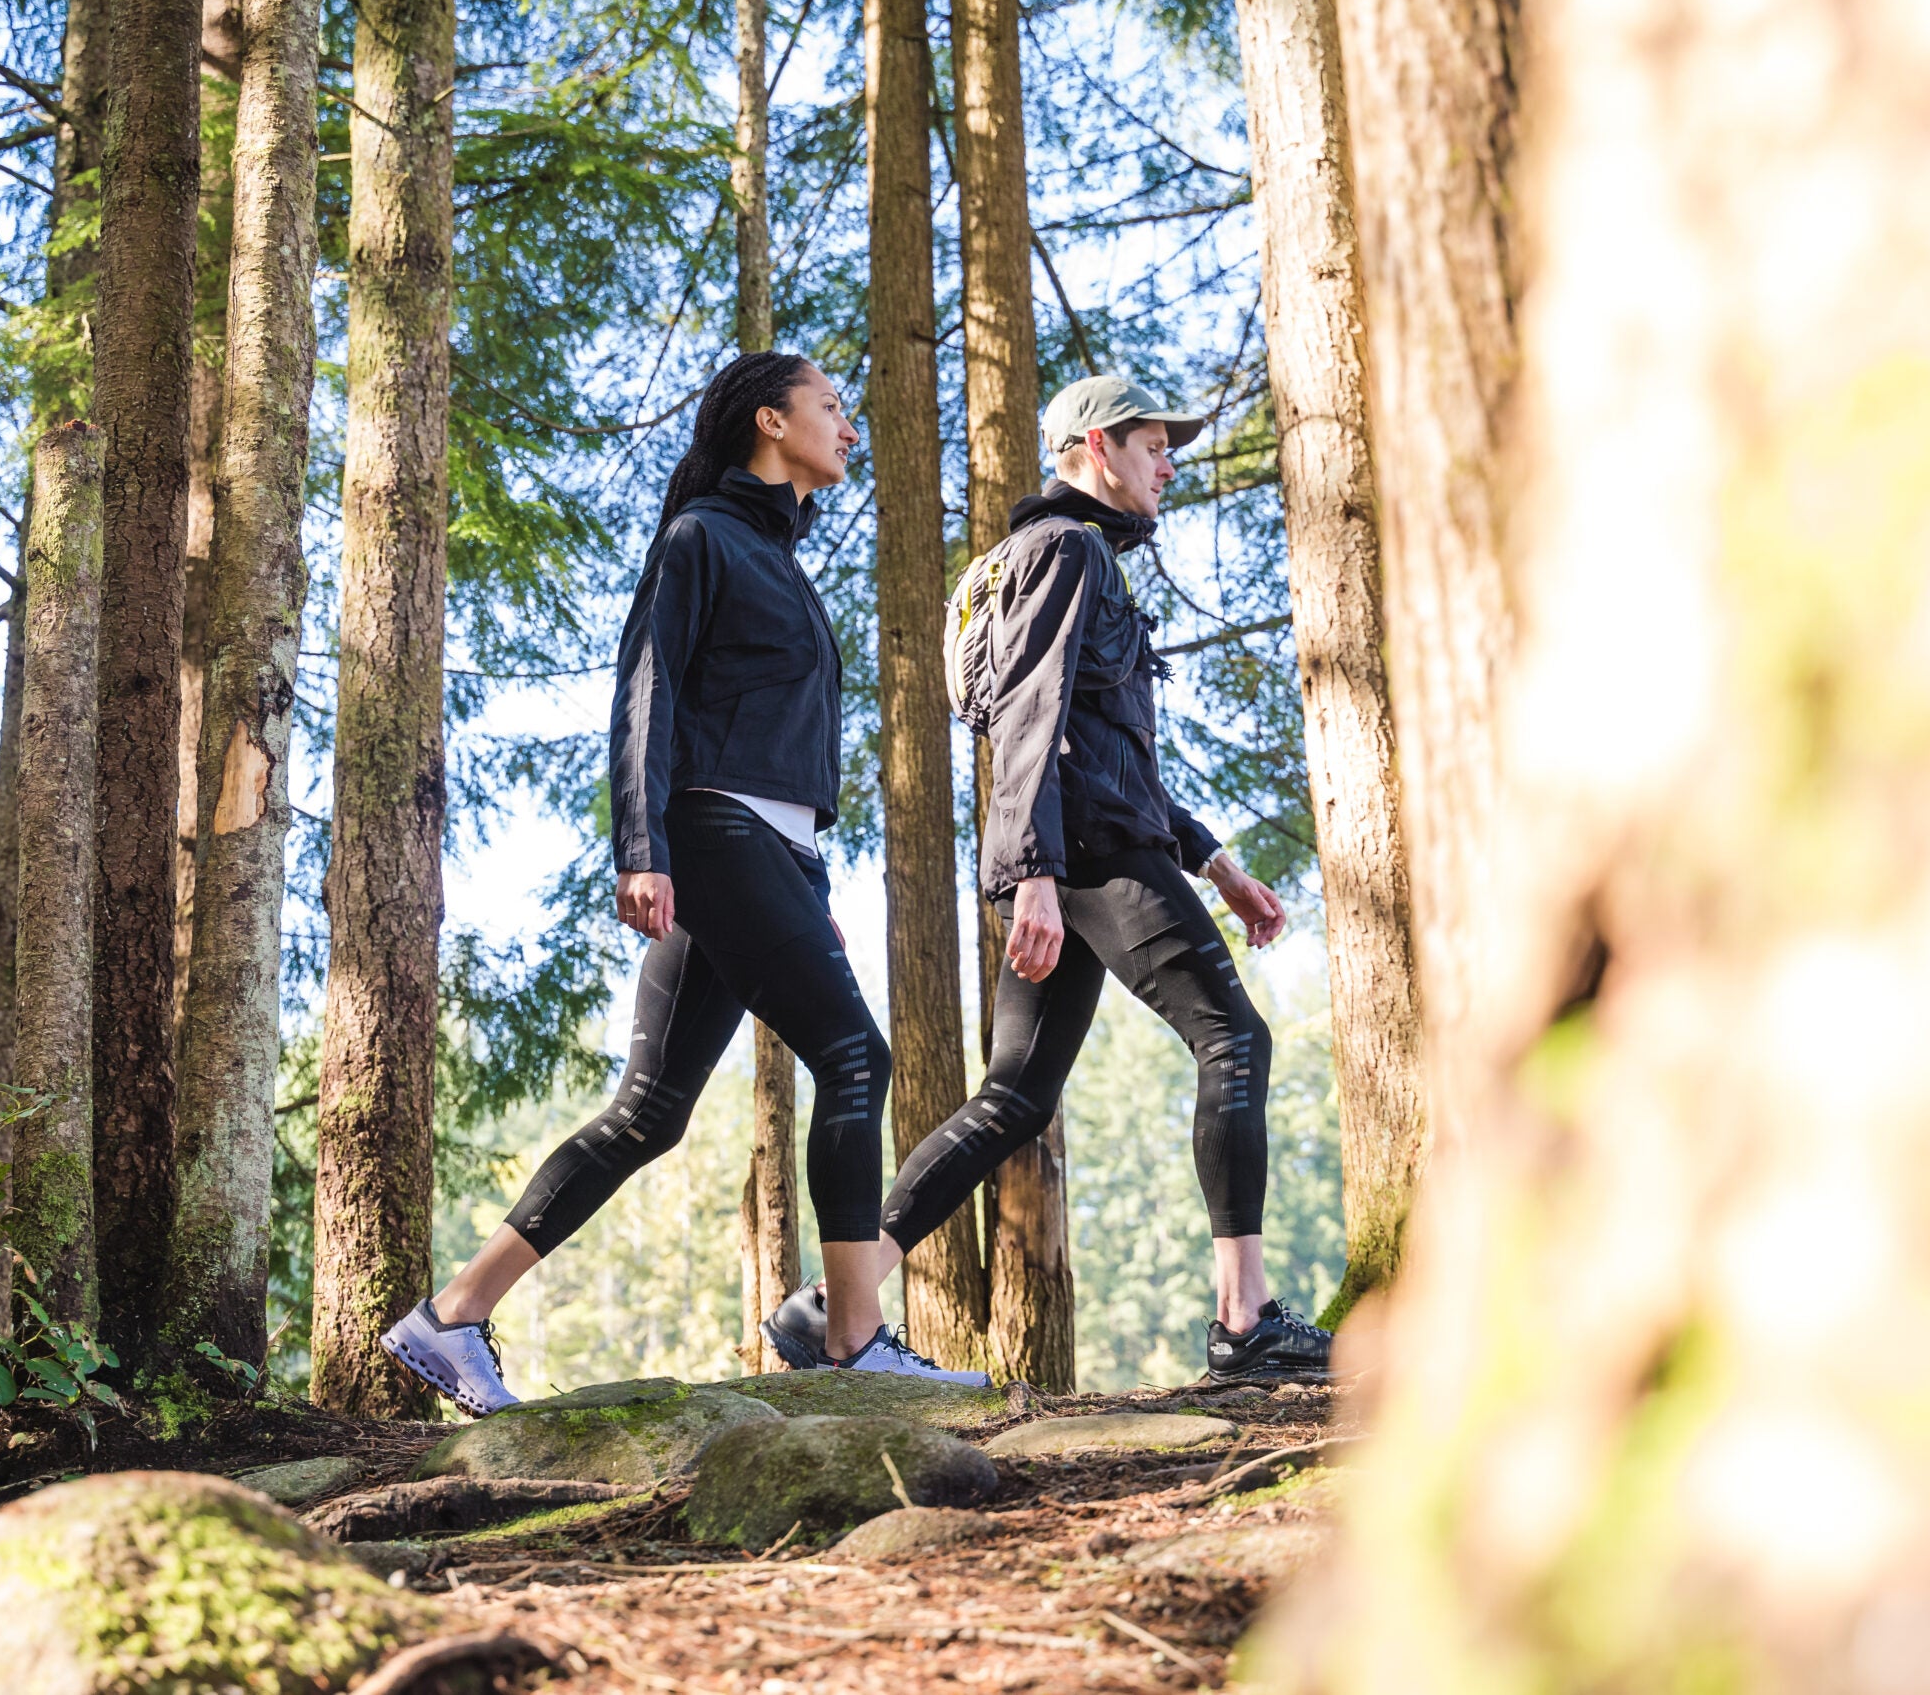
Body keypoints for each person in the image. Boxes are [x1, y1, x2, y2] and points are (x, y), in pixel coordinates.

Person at [383, 350, 987, 1416]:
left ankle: (451, 1316)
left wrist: (808, 884)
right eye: (832, 408)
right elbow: (645, 697)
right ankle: (853, 1347)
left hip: (766, 847)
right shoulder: (701, 538)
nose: (849, 429)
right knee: (853, 1056)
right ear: (770, 421)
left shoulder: (776, 557)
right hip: (710, 834)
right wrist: (641, 848)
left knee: (650, 1111)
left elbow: (771, 736)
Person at [763, 374, 1334, 1383]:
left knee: (1013, 1098)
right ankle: (1244, 1325)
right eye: (1155, 446)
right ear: (1096, 448)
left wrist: (1213, 859)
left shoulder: (1052, 559)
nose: (1169, 465)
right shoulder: (1068, 552)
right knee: (1233, 1038)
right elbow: (1030, 714)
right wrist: (1033, 872)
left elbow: (1098, 742)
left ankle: (828, 1308)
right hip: (1088, 859)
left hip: (1079, 848)